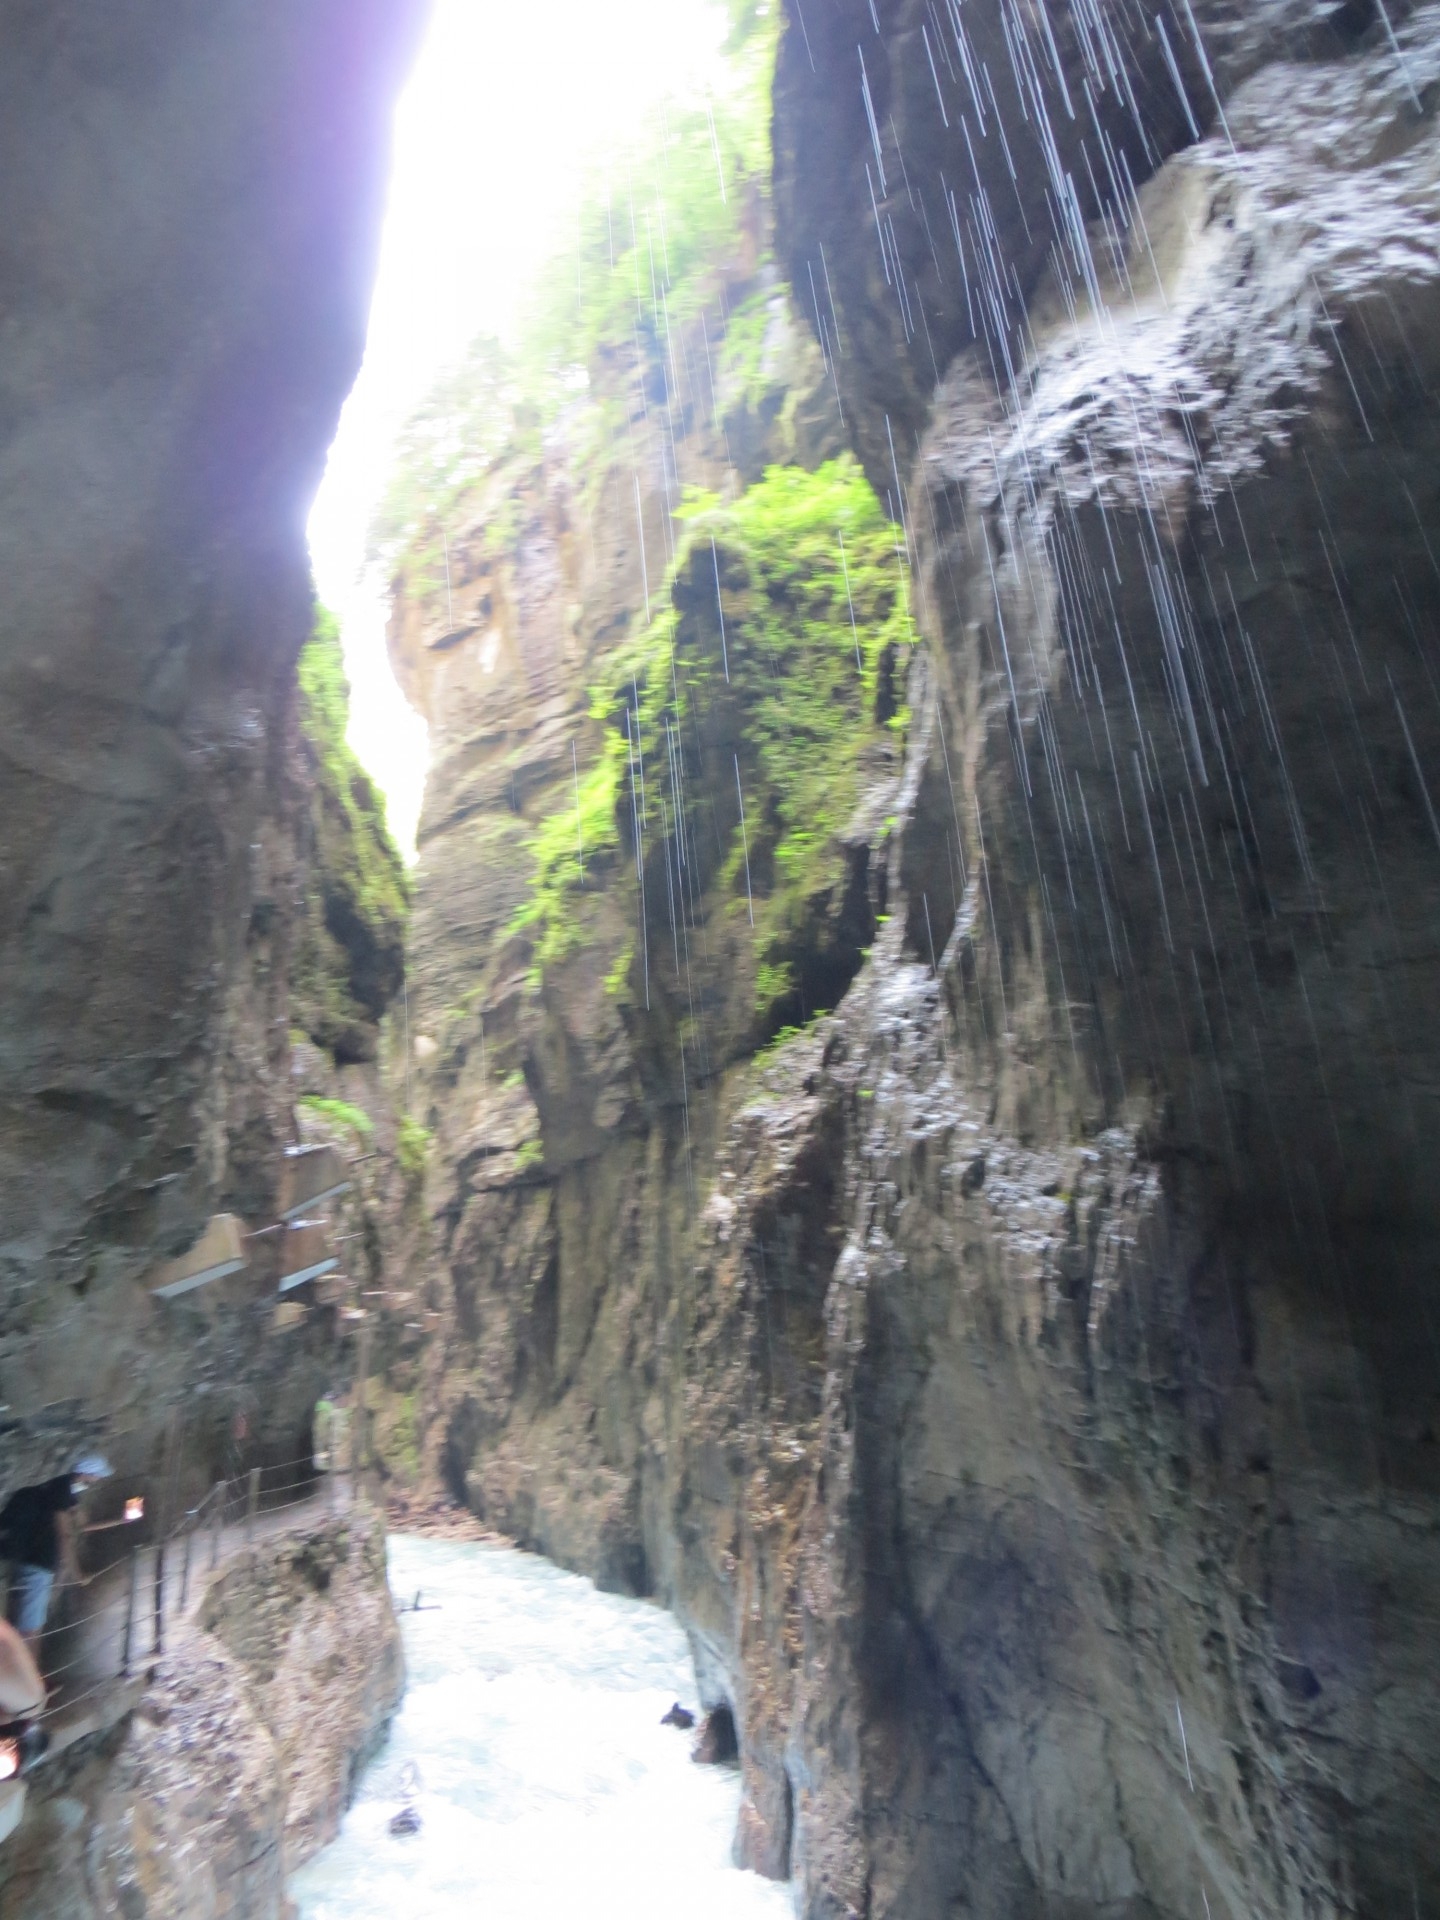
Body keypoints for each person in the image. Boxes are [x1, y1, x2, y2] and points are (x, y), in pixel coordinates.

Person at [0, 1455, 113, 1651]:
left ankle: (27, 1674)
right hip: (38, 1562)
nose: (98, 1479)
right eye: (97, 1475)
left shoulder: (64, 1489)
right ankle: (32, 1677)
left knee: (27, 1618)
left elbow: (83, 1525)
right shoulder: (61, 1493)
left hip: (27, 1556)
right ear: (86, 1473)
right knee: (31, 1626)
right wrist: (77, 1574)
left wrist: (121, 1520)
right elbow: (65, 1536)